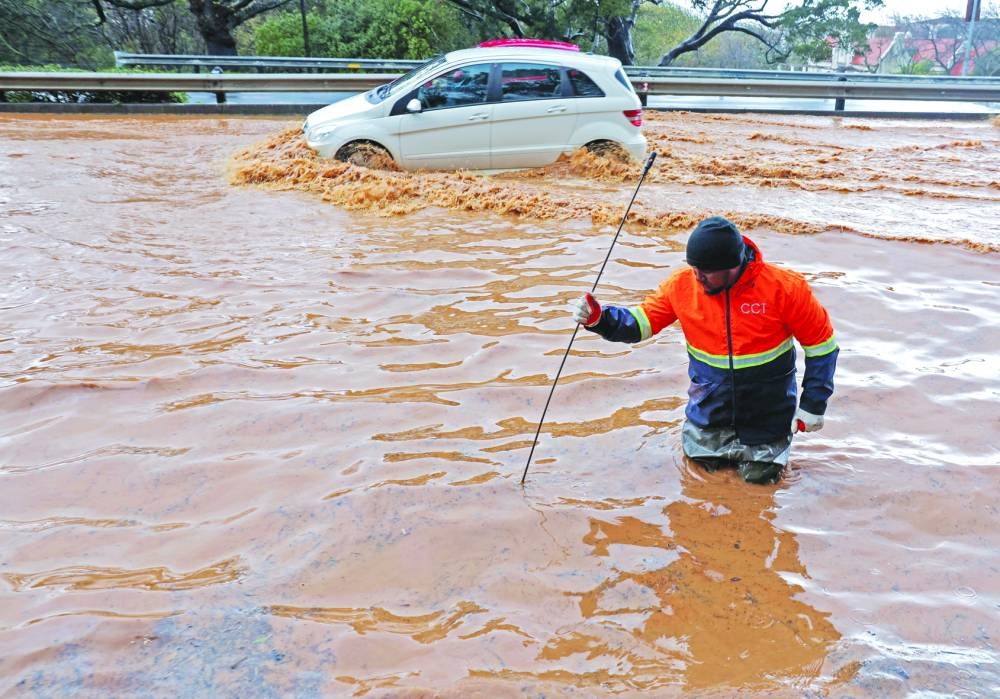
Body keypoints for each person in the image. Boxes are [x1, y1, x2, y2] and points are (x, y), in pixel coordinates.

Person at [571, 216, 838, 484]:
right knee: (698, 479)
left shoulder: (786, 288)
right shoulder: (681, 285)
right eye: (694, 268)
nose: (697, 277)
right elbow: (641, 324)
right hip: (707, 417)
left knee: (760, 480)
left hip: (767, 421)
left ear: (733, 265)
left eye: (706, 271)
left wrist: (813, 404)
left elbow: (822, 346)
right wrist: (600, 319)